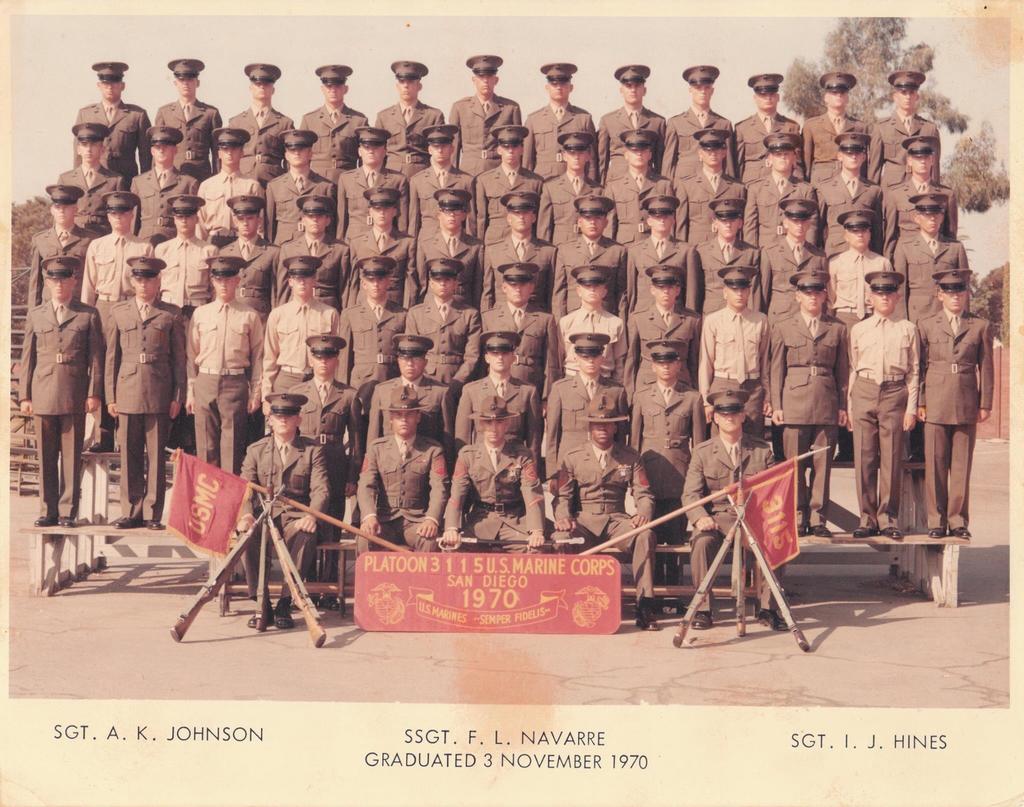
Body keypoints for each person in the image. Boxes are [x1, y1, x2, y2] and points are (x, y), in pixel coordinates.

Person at [552, 393, 659, 630]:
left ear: (615, 427)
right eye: (597, 424)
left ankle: (645, 605)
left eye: (607, 424)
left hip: (616, 520)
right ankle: (565, 601)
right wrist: (563, 517)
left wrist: (643, 513)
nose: (602, 429)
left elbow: (644, 493)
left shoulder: (630, 457)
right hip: (584, 520)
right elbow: (562, 496)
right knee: (561, 538)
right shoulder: (572, 457)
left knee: (645, 535)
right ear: (590, 426)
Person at [681, 389, 782, 630]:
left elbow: (774, 490)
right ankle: (703, 609)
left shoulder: (761, 450)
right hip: (718, 519)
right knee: (701, 543)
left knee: (775, 539)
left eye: (734, 413)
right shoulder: (703, 452)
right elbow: (690, 494)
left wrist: (767, 519)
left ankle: (768, 608)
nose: (729, 418)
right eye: (723, 414)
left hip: (752, 518)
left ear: (743, 416)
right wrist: (700, 518)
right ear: (715, 417)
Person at [19, 256, 104, 528]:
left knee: (70, 456)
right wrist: (25, 396)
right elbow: (27, 357)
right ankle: (48, 510)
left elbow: (96, 359)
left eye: (64, 278)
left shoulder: (87, 314)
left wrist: (93, 393)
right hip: (42, 392)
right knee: (46, 457)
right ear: (47, 281)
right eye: (53, 279)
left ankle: (68, 511)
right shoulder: (36, 314)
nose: (58, 284)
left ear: (74, 281)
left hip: (73, 391)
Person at [104, 256, 186, 530]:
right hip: (127, 389)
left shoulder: (170, 314)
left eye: (149, 279)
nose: (143, 285)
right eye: (138, 279)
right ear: (132, 281)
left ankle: (152, 512)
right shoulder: (119, 312)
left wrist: (178, 396)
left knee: (155, 455)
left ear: (158, 281)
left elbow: (179, 360)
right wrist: (111, 396)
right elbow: (111, 358)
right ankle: (130, 510)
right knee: (129, 454)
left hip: (159, 391)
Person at [236, 392, 329, 628]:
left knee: (306, 534)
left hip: (295, 518)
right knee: (248, 535)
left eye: (289, 416)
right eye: (278, 416)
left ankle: (286, 602)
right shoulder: (256, 450)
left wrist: (311, 515)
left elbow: (321, 490)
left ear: (298, 419)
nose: (283, 421)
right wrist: (246, 515)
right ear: (270, 420)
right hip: (264, 516)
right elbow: (244, 488)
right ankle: (262, 602)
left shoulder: (311, 450)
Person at [769, 270, 849, 537]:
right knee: (794, 465)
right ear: (797, 296)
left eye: (817, 292)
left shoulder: (837, 328)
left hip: (826, 402)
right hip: (793, 403)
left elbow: (843, 371)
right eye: (807, 293)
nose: (812, 297)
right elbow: (776, 368)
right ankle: (797, 515)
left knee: (822, 465)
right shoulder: (783, 326)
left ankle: (818, 519)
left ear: (825, 295)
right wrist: (777, 405)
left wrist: (842, 408)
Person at [916, 269, 994, 541]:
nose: (955, 297)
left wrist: (985, 403)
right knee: (935, 465)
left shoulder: (979, 326)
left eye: (960, 292)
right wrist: (921, 401)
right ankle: (936, 521)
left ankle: (958, 520)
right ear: (940, 296)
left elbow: (986, 367)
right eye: (949, 292)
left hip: (965, 401)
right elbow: (920, 367)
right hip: (936, 401)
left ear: (966, 295)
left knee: (960, 467)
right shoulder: (926, 325)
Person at [629, 339, 706, 591]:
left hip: (679, 475)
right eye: (660, 363)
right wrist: (635, 480)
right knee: (650, 535)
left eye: (670, 363)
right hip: (649, 473)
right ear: (652, 366)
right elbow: (634, 441)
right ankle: (652, 591)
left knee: (675, 535)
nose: (665, 368)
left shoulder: (692, 397)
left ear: (678, 365)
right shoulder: (641, 397)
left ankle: (673, 590)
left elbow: (700, 444)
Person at [848, 270, 920, 540]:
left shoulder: (907, 328)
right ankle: (866, 518)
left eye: (889, 293)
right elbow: (853, 369)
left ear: (898, 296)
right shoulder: (858, 330)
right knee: (864, 458)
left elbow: (914, 371)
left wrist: (911, 408)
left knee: (891, 458)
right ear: (870, 298)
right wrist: (851, 405)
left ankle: (888, 518)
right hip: (865, 390)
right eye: (879, 294)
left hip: (894, 391)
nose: (885, 298)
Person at [289, 335, 364, 595]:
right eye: (319, 357)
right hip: (305, 464)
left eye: (329, 357)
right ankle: (308, 581)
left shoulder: (348, 395)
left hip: (334, 462)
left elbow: (355, 441)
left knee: (332, 523)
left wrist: (352, 475)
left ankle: (330, 586)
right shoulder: (299, 393)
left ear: (336, 360)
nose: (323, 362)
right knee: (307, 521)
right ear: (311, 359)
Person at [186, 254, 263, 475]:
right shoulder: (201, 314)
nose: (224, 285)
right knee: (206, 448)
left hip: (235, 382)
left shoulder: (249, 315)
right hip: (206, 381)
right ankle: (208, 507)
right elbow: (192, 355)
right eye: (219, 280)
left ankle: (230, 508)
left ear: (237, 281)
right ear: (212, 281)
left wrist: (255, 392)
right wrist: (191, 392)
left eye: (229, 279)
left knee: (232, 449)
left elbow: (258, 357)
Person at [441, 396, 546, 553]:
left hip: (513, 522)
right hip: (480, 521)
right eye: (488, 423)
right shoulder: (467, 455)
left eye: (499, 422)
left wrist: (536, 531)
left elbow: (532, 494)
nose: (494, 428)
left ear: (507, 424)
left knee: (534, 551)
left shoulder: (522, 455)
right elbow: (457, 494)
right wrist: (451, 528)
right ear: (481, 424)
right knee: (451, 549)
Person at [357, 386, 449, 553]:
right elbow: (365, 485)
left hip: (417, 521)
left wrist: (431, 519)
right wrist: (369, 516)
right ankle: (369, 581)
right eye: (398, 415)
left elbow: (439, 488)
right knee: (364, 538)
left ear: (418, 417)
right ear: (391, 418)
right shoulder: (376, 448)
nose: (404, 420)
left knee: (429, 541)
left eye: (409, 415)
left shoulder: (433, 450)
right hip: (384, 520)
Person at [698, 266, 770, 437]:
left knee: (754, 442)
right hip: (723, 384)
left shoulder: (760, 320)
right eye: (734, 289)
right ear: (724, 292)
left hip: (752, 388)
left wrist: (767, 395)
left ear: (749, 292)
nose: (739, 294)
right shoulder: (713, 320)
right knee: (721, 440)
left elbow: (765, 361)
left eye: (743, 289)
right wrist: (706, 399)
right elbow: (706, 363)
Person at [455, 331, 543, 469]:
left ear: (513, 357)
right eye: (495, 354)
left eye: (505, 353)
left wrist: (532, 468)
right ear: (486, 358)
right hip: (481, 465)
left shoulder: (527, 391)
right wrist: (465, 468)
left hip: (515, 464)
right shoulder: (471, 391)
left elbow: (534, 439)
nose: (500, 358)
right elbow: (462, 436)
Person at [261, 256, 341, 400]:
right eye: (297, 278)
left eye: (307, 277)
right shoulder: (278, 315)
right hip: (287, 380)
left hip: (317, 380)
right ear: (290, 282)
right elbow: (269, 358)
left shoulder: (329, 314)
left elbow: (337, 356)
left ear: (315, 280)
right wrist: (266, 394)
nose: (302, 282)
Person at [545, 333, 628, 471]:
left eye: (595, 356)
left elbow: (620, 435)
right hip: (569, 463)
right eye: (585, 357)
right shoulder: (561, 389)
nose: (591, 361)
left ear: (602, 358)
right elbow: (552, 435)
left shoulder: (616, 391)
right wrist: (553, 473)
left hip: (605, 463)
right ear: (576, 358)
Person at [366, 334, 455, 462]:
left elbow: (447, 438)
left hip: (426, 464)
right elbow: (373, 436)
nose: (410, 364)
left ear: (425, 362)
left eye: (416, 358)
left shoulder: (440, 393)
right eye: (405, 358)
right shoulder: (382, 391)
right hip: (389, 464)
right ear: (398, 360)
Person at [480, 262, 561, 398]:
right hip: (496, 390)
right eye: (513, 285)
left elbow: (551, 363)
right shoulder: (489, 317)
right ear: (504, 288)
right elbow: (482, 362)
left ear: (531, 287)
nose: (518, 289)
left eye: (523, 285)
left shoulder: (545, 319)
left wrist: (546, 398)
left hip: (532, 386)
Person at [336, 256, 407, 404]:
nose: (376, 284)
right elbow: (344, 358)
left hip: (392, 378)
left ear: (388, 282)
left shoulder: (402, 314)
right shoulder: (351, 315)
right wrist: (344, 391)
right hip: (362, 381)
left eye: (380, 279)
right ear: (363, 283)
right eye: (371, 280)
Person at [624, 266, 701, 399]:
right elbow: (632, 359)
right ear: (652, 290)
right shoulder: (638, 318)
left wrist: (696, 390)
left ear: (677, 290)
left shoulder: (691, 320)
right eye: (661, 288)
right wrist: (630, 394)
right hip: (646, 387)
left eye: (670, 288)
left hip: (682, 388)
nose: (666, 292)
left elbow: (694, 361)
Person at [404, 258, 482, 391]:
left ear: (456, 284)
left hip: (457, 380)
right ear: (431, 284)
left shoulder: (469, 314)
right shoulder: (416, 314)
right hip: (425, 381)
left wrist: (458, 382)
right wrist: (421, 379)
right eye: (438, 280)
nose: (443, 284)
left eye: (447, 280)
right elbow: (411, 353)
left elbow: (472, 356)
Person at [892, 192, 969, 324]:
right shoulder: (905, 246)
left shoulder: (955, 247)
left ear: (941, 217)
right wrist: (901, 321)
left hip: (947, 315)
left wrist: (965, 320)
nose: (932, 219)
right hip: (917, 315)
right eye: (927, 215)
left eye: (936, 215)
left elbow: (964, 287)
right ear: (917, 218)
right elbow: (900, 288)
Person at [881, 135, 958, 260]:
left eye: (926, 157)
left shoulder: (946, 195)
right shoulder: (895, 194)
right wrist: (889, 263)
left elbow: (951, 235)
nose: (923, 161)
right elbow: (890, 236)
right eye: (918, 158)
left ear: (932, 160)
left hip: (935, 258)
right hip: (906, 258)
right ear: (909, 161)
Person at [73, 61, 151, 182]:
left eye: (115, 83)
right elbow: (78, 155)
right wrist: (78, 182)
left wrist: (145, 184)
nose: (110, 87)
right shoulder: (85, 114)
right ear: (98, 85)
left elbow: (146, 156)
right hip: (94, 180)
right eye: (106, 83)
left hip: (127, 180)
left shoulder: (137, 115)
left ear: (122, 86)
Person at [552, 195, 627, 318]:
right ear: (579, 222)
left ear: (606, 222)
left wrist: (621, 322)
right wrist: (560, 323)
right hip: (573, 316)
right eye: (588, 218)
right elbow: (559, 292)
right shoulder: (565, 250)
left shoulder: (617, 251)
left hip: (606, 317)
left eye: (598, 218)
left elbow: (621, 293)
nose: (593, 222)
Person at [480, 191, 555, 312]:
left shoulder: (548, 252)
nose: (521, 217)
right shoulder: (493, 251)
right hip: (502, 318)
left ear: (534, 217)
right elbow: (487, 292)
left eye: (526, 213)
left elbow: (553, 293)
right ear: (509, 218)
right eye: (516, 213)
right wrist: (487, 318)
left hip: (536, 318)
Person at [523, 63, 598, 183]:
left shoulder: (583, 118)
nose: (559, 87)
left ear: (571, 87)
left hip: (576, 182)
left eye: (563, 83)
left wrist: (592, 187)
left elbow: (592, 160)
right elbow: (527, 161)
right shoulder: (534, 120)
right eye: (554, 84)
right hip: (544, 181)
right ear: (547, 88)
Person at [673, 127, 747, 248]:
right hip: (696, 248)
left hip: (730, 248)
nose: (713, 154)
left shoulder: (737, 188)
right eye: (708, 151)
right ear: (700, 154)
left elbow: (742, 225)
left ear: (724, 153)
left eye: (717, 150)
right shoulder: (686, 186)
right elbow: (681, 225)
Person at [687, 197, 761, 316]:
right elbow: (695, 291)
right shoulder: (701, 251)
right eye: (723, 221)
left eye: (732, 220)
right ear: (715, 223)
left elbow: (754, 292)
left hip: (742, 316)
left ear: (740, 223)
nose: (728, 225)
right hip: (711, 315)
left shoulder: (751, 253)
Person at [449, 55, 523, 176]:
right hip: (469, 172)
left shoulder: (510, 108)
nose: (485, 81)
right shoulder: (460, 108)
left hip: (500, 170)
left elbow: (519, 147)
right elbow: (453, 146)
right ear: (474, 80)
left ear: (496, 80)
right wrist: (453, 176)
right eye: (481, 76)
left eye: (489, 76)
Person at [273, 195, 350, 309]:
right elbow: (283, 289)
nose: (315, 220)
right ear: (303, 220)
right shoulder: (288, 249)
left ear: (328, 220)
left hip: (327, 307)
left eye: (319, 216)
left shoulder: (340, 250)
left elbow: (345, 290)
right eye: (310, 216)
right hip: (296, 307)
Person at [625, 194, 696, 317]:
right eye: (657, 217)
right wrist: (632, 317)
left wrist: (690, 318)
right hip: (644, 315)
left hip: (676, 315)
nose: (662, 220)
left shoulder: (686, 250)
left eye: (666, 216)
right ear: (649, 221)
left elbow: (690, 291)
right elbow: (631, 291)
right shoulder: (635, 251)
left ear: (673, 220)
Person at [662, 65, 736, 183]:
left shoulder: (723, 124)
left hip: (715, 186)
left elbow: (729, 164)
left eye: (707, 87)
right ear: (690, 90)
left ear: (712, 91)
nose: (703, 92)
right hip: (683, 187)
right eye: (698, 87)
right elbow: (668, 164)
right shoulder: (675, 123)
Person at [743, 132, 818, 249]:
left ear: (794, 158)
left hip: (797, 250)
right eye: (778, 154)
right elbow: (750, 227)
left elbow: (811, 226)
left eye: (786, 154)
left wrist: (807, 251)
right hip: (766, 250)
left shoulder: (805, 190)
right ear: (769, 158)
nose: (783, 157)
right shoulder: (756, 189)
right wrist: (753, 254)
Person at [345, 187, 416, 308]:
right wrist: (352, 309)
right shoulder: (357, 242)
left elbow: (410, 282)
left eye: (386, 209)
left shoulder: (406, 242)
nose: (382, 213)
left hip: (395, 304)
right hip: (364, 305)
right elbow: (353, 282)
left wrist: (406, 309)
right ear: (370, 212)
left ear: (394, 211)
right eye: (377, 209)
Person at [869, 70, 941, 189]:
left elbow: (935, 170)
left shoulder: (929, 129)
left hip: (920, 193)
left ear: (917, 96)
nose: (908, 97)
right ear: (895, 97)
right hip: (891, 193)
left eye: (912, 92)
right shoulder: (881, 128)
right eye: (903, 92)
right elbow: (874, 171)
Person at [759, 197, 827, 324]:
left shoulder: (819, 256)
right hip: (779, 319)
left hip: (809, 320)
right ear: (785, 223)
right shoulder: (770, 253)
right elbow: (763, 294)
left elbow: (824, 294)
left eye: (803, 221)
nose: (799, 225)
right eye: (795, 221)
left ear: (809, 224)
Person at [816, 132, 883, 259]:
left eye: (857, 153)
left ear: (863, 157)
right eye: (849, 153)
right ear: (839, 156)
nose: (853, 157)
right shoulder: (825, 188)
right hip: (835, 254)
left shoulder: (874, 190)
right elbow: (818, 227)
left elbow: (877, 230)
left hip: (865, 255)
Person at [335, 127, 409, 242]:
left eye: (376, 147)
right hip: (354, 241)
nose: (371, 151)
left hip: (386, 240)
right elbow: (342, 220)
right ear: (359, 151)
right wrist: (341, 243)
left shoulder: (398, 180)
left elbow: (402, 220)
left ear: (385, 151)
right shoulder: (346, 179)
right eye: (366, 147)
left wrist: (401, 244)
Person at [153, 59, 222, 182]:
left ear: (197, 82)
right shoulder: (164, 112)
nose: (186, 84)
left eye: (190, 79)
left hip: (202, 174)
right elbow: (157, 148)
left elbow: (217, 152)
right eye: (181, 80)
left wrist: (217, 178)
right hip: (174, 174)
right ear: (175, 83)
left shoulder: (210, 113)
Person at [602, 129, 674, 246]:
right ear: (626, 155)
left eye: (643, 150)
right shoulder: (614, 187)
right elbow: (609, 225)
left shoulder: (663, 184)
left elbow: (671, 221)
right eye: (634, 150)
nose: (639, 154)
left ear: (650, 155)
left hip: (655, 245)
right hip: (625, 245)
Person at [473, 125, 543, 246]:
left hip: (526, 244)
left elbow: (539, 221)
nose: (510, 151)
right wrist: (481, 248)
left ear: (522, 149)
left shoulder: (535, 182)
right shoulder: (484, 180)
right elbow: (481, 220)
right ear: (499, 150)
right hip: (494, 243)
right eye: (506, 147)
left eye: (515, 146)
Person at [374, 61, 445, 180]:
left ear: (419, 86)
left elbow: (441, 152)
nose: (406, 86)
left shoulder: (433, 115)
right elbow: (378, 151)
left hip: (423, 173)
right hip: (391, 174)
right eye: (402, 82)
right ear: (397, 86)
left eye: (411, 81)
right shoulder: (384, 116)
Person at [264, 129, 335, 245]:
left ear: (310, 153)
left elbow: (331, 227)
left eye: (301, 149)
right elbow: (269, 227)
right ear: (286, 155)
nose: (297, 153)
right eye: (292, 150)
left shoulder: (325, 186)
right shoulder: (274, 186)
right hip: (283, 247)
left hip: (316, 247)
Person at [130, 126, 199, 245]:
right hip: (145, 241)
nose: (161, 150)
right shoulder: (139, 182)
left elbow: (196, 220)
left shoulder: (188, 183)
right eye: (157, 147)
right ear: (152, 151)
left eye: (166, 146)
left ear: (175, 150)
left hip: (175, 241)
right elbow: (133, 219)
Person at [597, 64, 666, 184]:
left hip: (648, 182)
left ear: (644, 90)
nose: (633, 90)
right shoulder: (608, 121)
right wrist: (602, 187)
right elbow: (601, 160)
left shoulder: (657, 122)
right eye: (628, 86)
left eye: (637, 86)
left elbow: (660, 161)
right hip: (617, 182)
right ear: (621, 90)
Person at [559, 266, 626, 385]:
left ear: (605, 291)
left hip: (605, 381)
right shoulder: (566, 322)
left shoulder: (616, 323)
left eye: (597, 286)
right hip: (572, 381)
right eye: (587, 286)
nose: (592, 290)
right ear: (578, 291)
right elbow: (558, 359)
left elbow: (620, 361)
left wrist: (617, 387)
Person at [228, 63, 294, 188]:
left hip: (274, 180)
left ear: (273, 90)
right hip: (243, 178)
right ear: (250, 88)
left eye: (267, 84)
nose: (262, 87)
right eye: (258, 84)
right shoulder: (236, 122)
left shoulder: (285, 123)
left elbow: (291, 158)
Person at [407, 125, 477, 242]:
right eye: (435, 147)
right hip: (427, 243)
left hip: (458, 242)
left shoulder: (466, 180)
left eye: (444, 146)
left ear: (452, 149)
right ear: (429, 150)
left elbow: (470, 220)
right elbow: (414, 222)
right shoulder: (417, 181)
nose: (440, 150)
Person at [196, 128, 263, 247]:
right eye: (225, 149)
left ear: (242, 152)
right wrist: (202, 249)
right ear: (219, 153)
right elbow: (200, 224)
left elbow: (259, 224)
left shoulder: (252, 185)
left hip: (242, 242)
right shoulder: (207, 186)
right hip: (213, 241)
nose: (229, 153)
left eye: (234, 148)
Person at [28, 185, 93, 307]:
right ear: (52, 210)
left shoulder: (90, 239)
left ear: (75, 209)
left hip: (79, 308)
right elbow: (35, 283)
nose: (62, 211)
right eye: (58, 207)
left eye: (67, 207)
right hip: (48, 308)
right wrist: (32, 316)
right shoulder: (40, 240)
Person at [413, 189, 482, 305]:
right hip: (432, 306)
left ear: (464, 215)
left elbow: (478, 284)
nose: (452, 215)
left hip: (464, 307)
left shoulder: (476, 246)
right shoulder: (425, 244)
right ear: (439, 215)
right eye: (447, 211)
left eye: (457, 211)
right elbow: (422, 282)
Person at [302, 64, 369, 183]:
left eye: (338, 86)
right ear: (322, 89)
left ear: (346, 89)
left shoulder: (359, 120)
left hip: (348, 178)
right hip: (316, 180)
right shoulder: (309, 120)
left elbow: (367, 156)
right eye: (329, 86)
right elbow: (299, 155)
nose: (333, 90)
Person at [734, 73, 804, 186]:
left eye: (771, 94)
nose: (768, 98)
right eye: (763, 95)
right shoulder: (742, 128)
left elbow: (797, 163)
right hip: (751, 186)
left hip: (785, 185)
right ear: (755, 98)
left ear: (778, 97)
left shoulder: (791, 127)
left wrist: (799, 186)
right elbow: (738, 165)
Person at [801, 72, 869, 185]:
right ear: (826, 98)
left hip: (851, 182)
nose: (839, 96)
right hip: (820, 184)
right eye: (834, 93)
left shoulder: (859, 127)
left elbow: (865, 163)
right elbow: (805, 163)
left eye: (842, 92)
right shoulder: (811, 125)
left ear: (847, 98)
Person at [217, 194, 277, 321]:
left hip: (261, 317)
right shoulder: (225, 253)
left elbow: (276, 293)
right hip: (232, 316)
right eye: (241, 219)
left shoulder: (273, 252)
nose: (245, 223)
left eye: (250, 218)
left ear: (259, 221)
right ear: (235, 221)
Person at [60, 123, 127, 236]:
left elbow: (122, 214)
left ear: (102, 149)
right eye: (84, 145)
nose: (89, 150)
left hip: (104, 235)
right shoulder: (66, 179)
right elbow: (58, 214)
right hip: (74, 236)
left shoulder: (115, 180)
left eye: (94, 145)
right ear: (78, 149)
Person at [827, 209, 891, 329]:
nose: (860, 235)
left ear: (870, 234)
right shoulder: (835, 262)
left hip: (873, 316)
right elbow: (831, 297)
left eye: (864, 230)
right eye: (854, 231)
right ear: (846, 236)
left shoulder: (882, 263)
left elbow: (889, 296)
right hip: (844, 317)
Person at [536, 131, 602, 246]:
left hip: (589, 247)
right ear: (564, 156)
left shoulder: (598, 190)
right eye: (572, 153)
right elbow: (544, 228)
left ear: (588, 156)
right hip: (560, 247)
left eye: (581, 153)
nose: (576, 157)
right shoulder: (551, 188)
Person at [154, 195, 216, 314]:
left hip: (198, 309)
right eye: (180, 217)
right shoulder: (162, 250)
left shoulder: (209, 251)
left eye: (188, 216)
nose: (184, 221)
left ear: (196, 219)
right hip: (168, 309)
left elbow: (214, 289)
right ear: (174, 219)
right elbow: (156, 285)